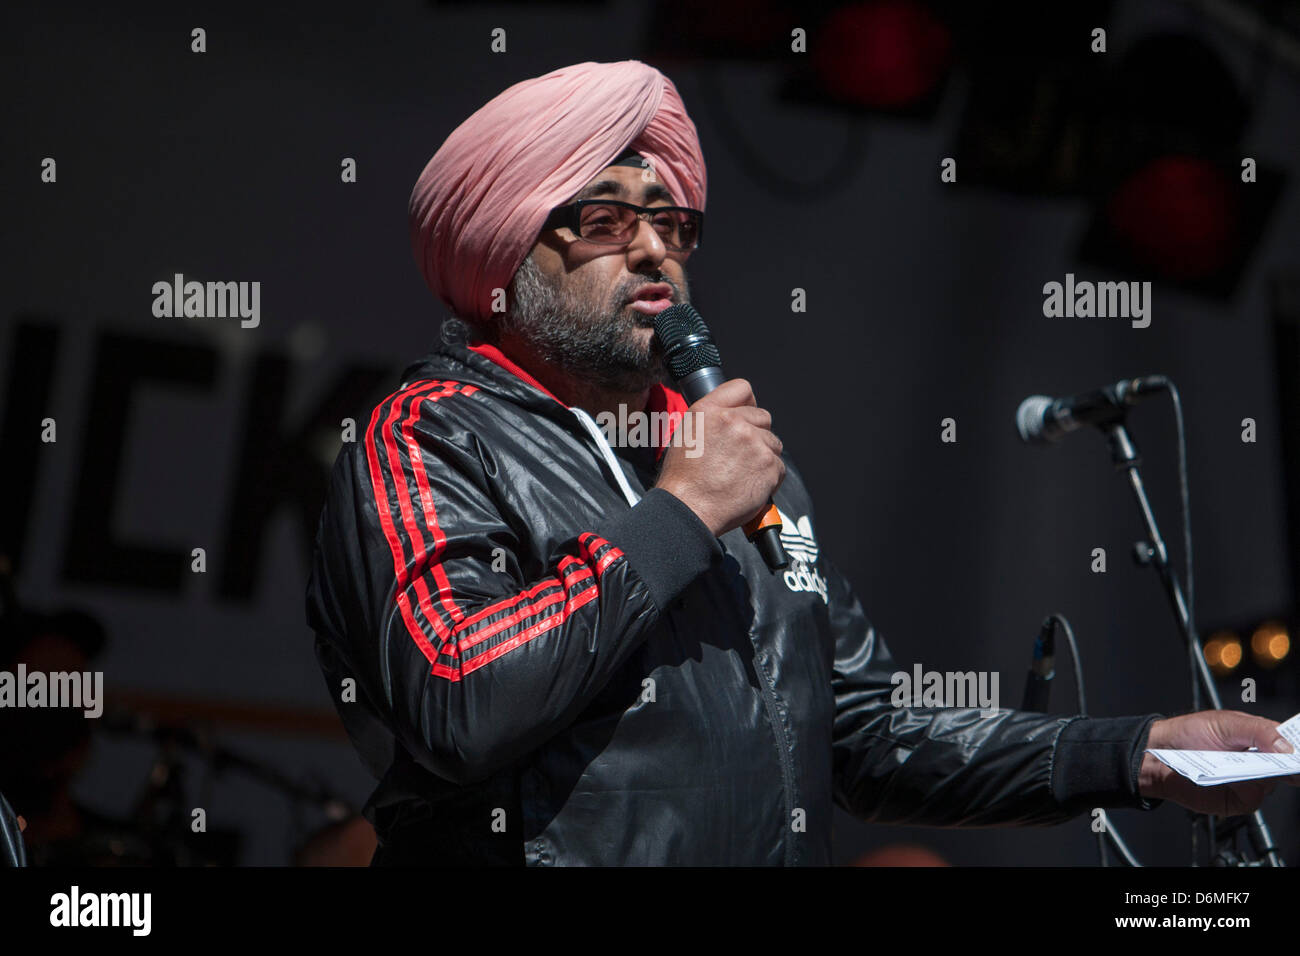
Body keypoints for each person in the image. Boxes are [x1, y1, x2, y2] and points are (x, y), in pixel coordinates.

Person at [305, 60, 1294, 866]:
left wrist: (1137, 752)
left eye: (672, 222)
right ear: (501, 261)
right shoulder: (431, 433)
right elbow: (458, 696)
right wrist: (678, 516)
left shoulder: (730, 460)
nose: (655, 249)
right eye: (605, 220)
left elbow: (870, 735)